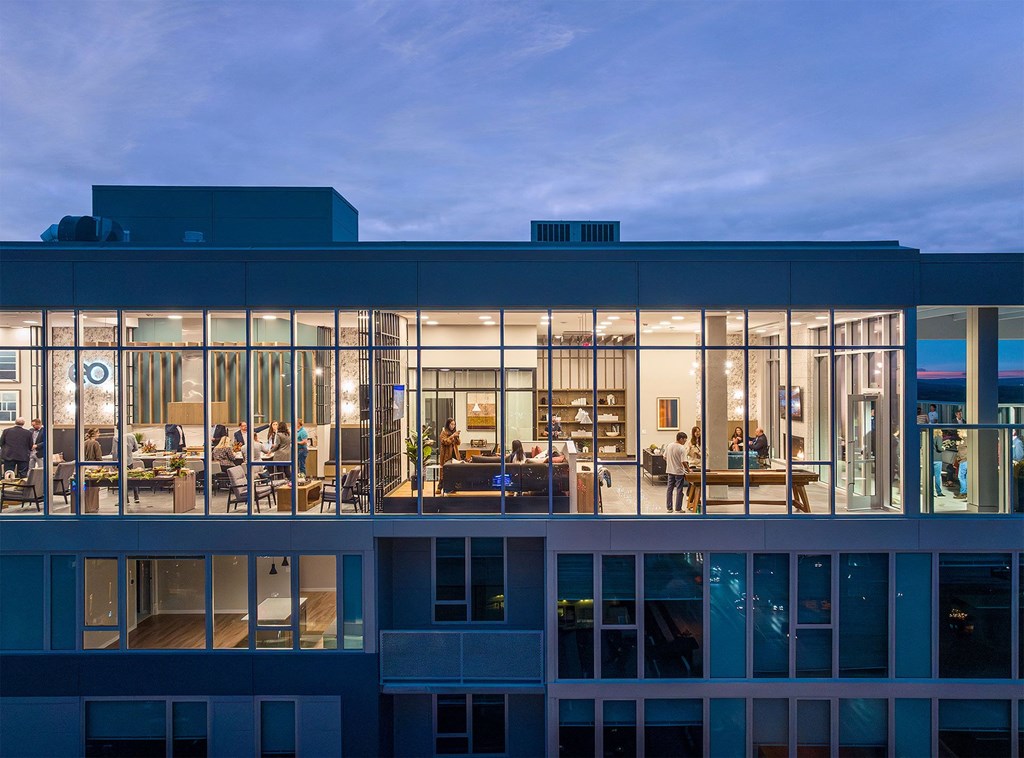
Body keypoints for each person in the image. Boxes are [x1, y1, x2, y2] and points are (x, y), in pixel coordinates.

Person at [665, 431, 689, 513]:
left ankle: (669, 508)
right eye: (685, 440)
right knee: (679, 490)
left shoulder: (669, 445)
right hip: (679, 472)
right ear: (681, 439)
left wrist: (671, 462)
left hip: (670, 470)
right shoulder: (682, 448)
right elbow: (683, 462)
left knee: (669, 489)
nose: (685, 442)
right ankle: (678, 508)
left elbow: (664, 457)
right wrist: (689, 470)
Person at [438, 418, 461, 493]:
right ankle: (440, 487)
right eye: (451, 424)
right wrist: (452, 436)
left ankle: (452, 487)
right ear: (448, 424)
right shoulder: (444, 432)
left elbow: (458, 443)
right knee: (444, 471)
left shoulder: (454, 432)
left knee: (454, 471)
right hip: (446, 454)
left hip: (454, 453)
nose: (453, 426)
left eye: (454, 424)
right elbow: (445, 442)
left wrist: (456, 436)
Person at [931, 429, 945, 498]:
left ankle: (931, 492)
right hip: (937, 459)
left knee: (930, 476)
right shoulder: (938, 437)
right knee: (937, 476)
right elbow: (939, 448)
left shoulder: (929, 436)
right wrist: (943, 448)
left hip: (930, 458)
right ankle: (939, 492)